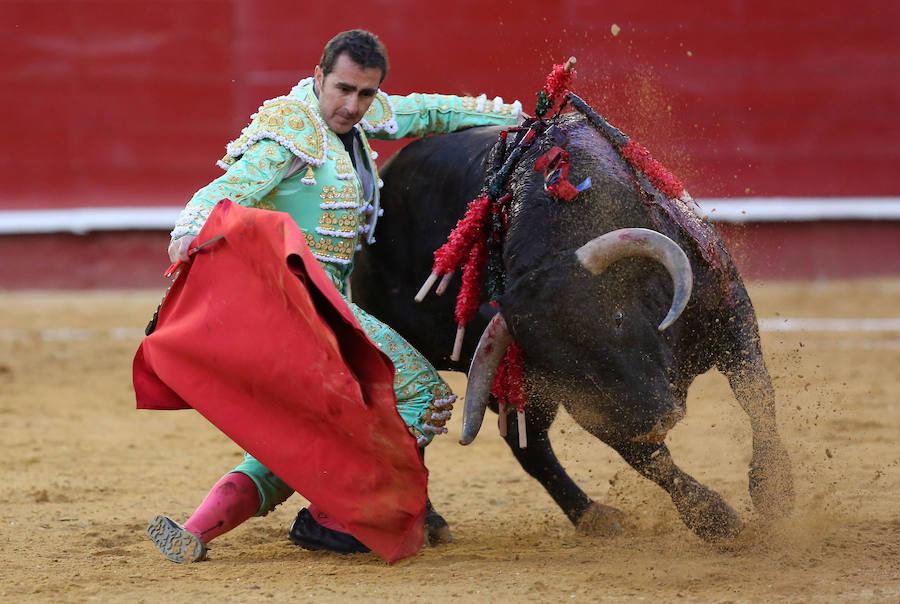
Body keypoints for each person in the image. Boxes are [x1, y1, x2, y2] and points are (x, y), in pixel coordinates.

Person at [146, 29, 520, 563]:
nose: (352, 106)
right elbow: (222, 196)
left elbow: (430, 113)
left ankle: (193, 532)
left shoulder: (361, 115)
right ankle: (339, 516)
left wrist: (519, 121)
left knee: (302, 437)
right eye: (343, 89)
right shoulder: (290, 134)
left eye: (366, 94)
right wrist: (188, 241)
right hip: (305, 309)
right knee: (424, 396)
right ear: (318, 77)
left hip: (328, 308)